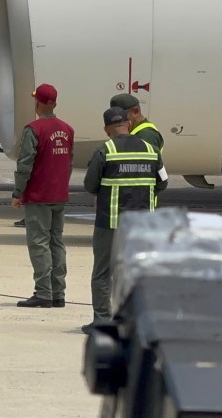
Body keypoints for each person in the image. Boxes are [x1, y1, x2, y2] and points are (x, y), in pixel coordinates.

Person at [82, 107, 168, 334]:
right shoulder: (151, 150)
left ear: (106, 129)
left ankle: (102, 320)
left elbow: (90, 186)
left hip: (110, 222)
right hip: (142, 226)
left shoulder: (105, 150)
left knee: (103, 272)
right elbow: (163, 182)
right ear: (129, 124)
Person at [10, 84, 74, 308]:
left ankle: (43, 292)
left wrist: (18, 192)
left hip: (39, 195)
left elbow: (25, 163)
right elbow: (69, 163)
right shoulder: (67, 129)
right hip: (59, 194)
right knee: (57, 242)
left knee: (39, 244)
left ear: (39, 103)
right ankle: (59, 292)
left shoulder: (33, 129)